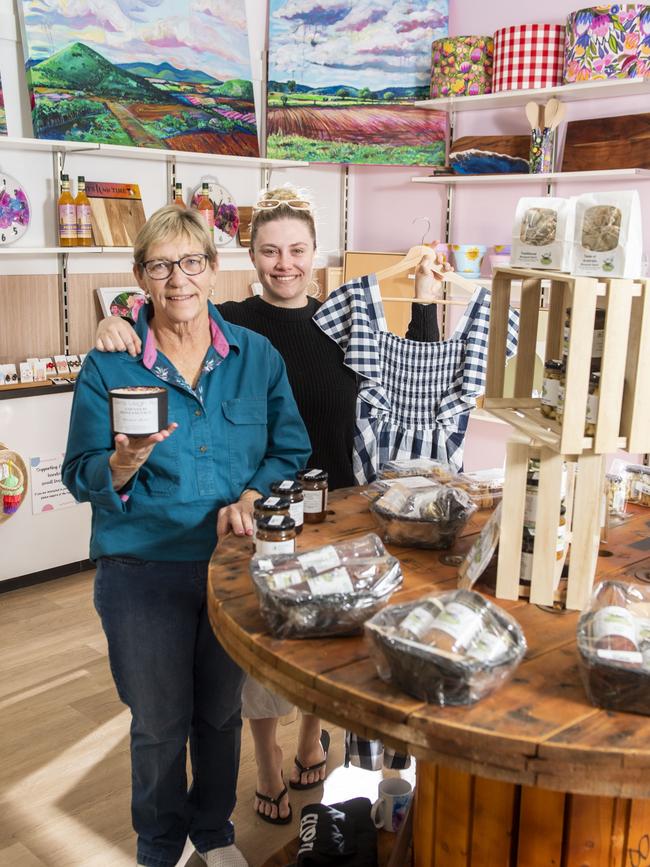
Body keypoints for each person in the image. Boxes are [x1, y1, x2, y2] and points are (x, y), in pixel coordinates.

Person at [95, 186, 450, 825]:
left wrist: (424, 291)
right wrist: (114, 318)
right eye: (269, 251)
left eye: (296, 250)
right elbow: (167, 295)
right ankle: (263, 768)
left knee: (322, 639)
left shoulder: (346, 321)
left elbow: (414, 360)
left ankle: (311, 743)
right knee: (256, 660)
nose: (283, 263)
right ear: (250, 257)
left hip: (336, 507)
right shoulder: (238, 322)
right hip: (262, 519)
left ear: (316, 254)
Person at [63, 204, 311, 867]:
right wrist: (120, 462)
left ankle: (216, 830)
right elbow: (78, 472)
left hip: (230, 566)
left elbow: (289, 445)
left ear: (213, 267)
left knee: (221, 714)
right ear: (140, 276)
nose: (180, 280)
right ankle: (161, 842)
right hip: (140, 567)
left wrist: (253, 497)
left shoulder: (255, 355)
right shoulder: (109, 366)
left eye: (192, 262)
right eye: (162, 265)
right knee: (159, 721)